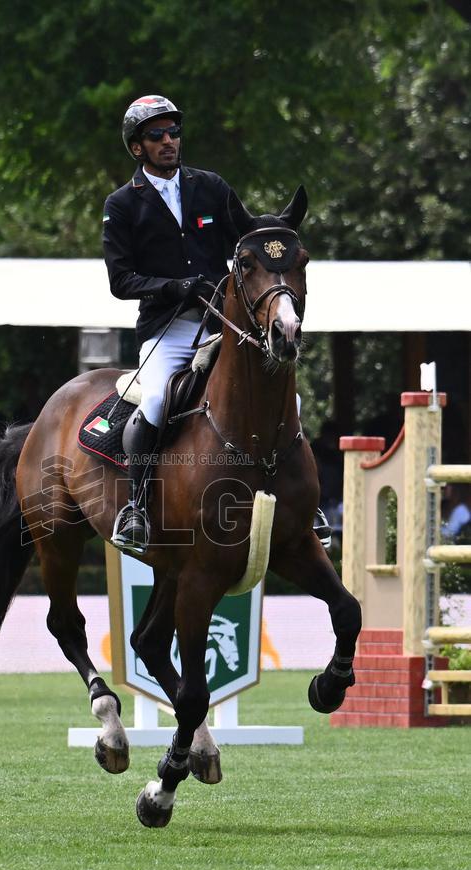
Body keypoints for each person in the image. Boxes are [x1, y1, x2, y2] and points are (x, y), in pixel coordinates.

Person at [103, 95, 331, 553]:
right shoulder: (123, 204)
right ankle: (138, 508)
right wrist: (175, 287)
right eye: (156, 135)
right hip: (165, 327)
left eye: (173, 132)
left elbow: (245, 242)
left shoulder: (210, 188)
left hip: (219, 324)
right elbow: (121, 280)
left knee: (289, 396)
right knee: (154, 399)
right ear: (137, 148)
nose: (169, 141)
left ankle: (305, 504)